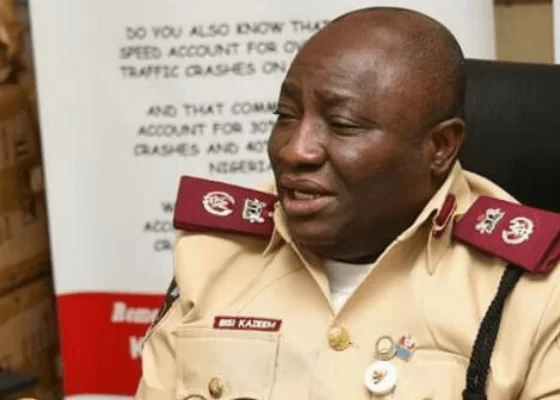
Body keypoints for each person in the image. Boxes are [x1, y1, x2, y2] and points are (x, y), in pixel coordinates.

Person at [135, 7, 560, 400]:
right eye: (285, 116)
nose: (295, 150)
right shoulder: (214, 257)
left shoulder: (534, 293)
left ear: (440, 147)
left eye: (342, 125)